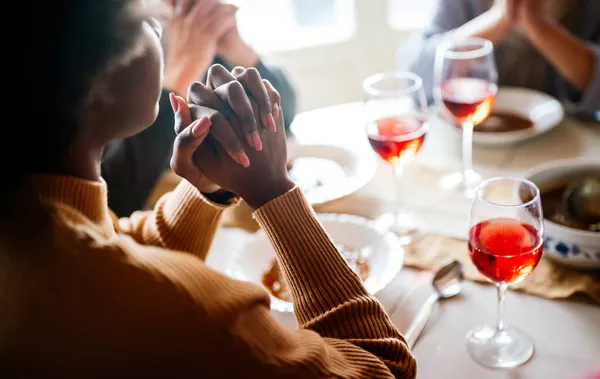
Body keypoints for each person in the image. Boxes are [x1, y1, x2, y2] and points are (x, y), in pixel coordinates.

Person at [0, 1, 416, 377]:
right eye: (147, 20)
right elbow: (383, 367)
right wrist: (274, 193)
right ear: (95, 79)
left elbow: (118, 248)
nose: (163, 30)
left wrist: (206, 191)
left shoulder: (33, 220)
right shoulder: (195, 309)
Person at [102, 0, 297, 217]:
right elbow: (112, 198)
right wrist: (175, 83)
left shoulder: (200, 24)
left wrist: (244, 55)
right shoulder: (117, 34)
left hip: (223, 205)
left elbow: (286, 114)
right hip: (157, 217)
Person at [407, 0, 599, 119]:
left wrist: (537, 25)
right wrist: (499, 18)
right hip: (469, 145)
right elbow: (415, 77)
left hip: (569, 147)